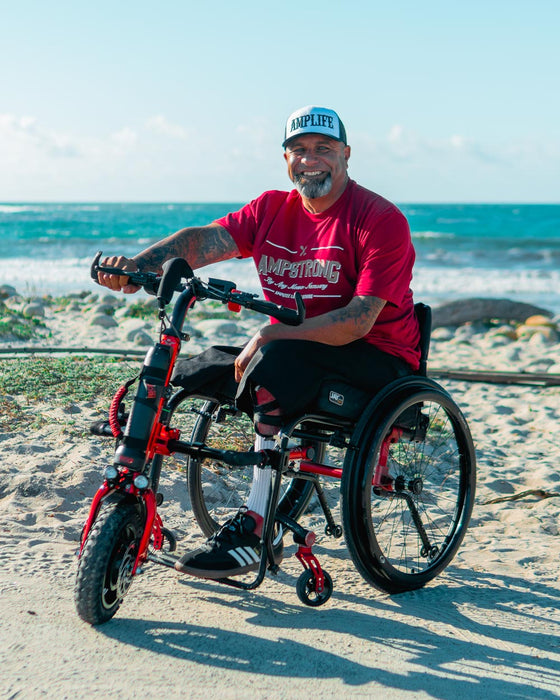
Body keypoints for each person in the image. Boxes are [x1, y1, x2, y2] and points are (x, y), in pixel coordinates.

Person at [98, 105, 420, 580]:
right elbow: (200, 241)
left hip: (377, 359)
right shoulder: (272, 209)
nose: (311, 160)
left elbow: (357, 320)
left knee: (270, 361)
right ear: (286, 158)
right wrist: (138, 268)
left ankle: (255, 528)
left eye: (324, 150)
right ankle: (136, 502)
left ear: (347, 155)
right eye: (300, 150)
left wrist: (271, 331)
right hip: (293, 351)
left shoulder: (379, 219)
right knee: (185, 373)